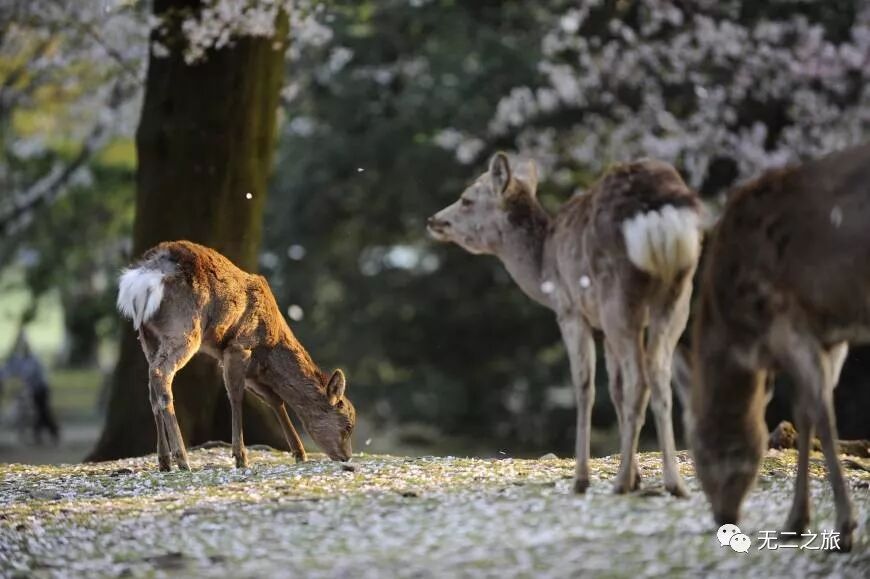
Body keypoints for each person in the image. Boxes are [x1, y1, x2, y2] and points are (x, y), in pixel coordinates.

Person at [0, 332, 60, 444]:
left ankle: (50, 433)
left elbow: (29, 374)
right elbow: (10, 371)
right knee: (40, 412)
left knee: (43, 412)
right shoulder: (20, 360)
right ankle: (40, 434)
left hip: (41, 389)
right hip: (34, 389)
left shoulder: (33, 360)